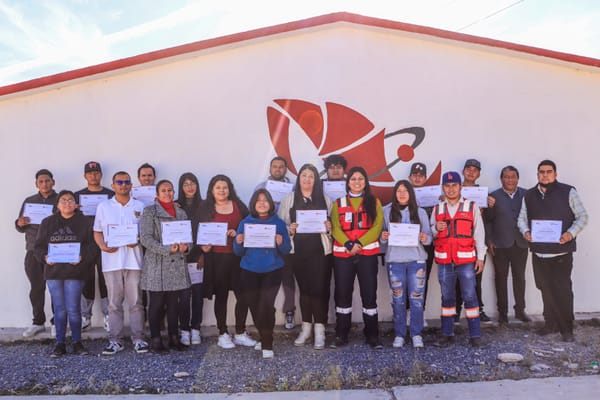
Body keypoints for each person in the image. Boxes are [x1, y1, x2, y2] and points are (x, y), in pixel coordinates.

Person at [517, 160, 588, 342]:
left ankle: (567, 329)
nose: (545, 175)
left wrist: (569, 234)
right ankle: (550, 325)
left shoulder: (568, 191)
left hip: (561, 253)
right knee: (545, 289)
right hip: (539, 252)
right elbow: (521, 218)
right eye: (541, 172)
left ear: (555, 174)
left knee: (562, 291)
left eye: (549, 172)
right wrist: (525, 232)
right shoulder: (530, 195)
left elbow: (582, 217)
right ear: (537, 174)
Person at [93, 171, 149, 355]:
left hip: (134, 262)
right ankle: (115, 340)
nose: (123, 185)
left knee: (136, 302)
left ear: (131, 185)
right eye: (119, 182)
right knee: (114, 304)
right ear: (113, 184)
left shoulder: (140, 206)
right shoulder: (104, 206)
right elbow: (97, 231)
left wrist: (138, 239)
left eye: (126, 182)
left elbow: (146, 233)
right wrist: (102, 246)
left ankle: (138, 339)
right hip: (111, 262)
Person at [34, 190, 94, 357]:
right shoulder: (47, 222)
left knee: (74, 309)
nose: (67, 203)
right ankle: (59, 343)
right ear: (58, 204)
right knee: (59, 310)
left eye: (70, 200)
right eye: (63, 200)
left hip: (75, 271)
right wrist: (45, 257)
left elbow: (92, 246)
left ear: (76, 204)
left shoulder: (85, 222)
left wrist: (82, 257)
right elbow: (38, 247)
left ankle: (77, 343)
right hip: (53, 272)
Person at [278, 164, 332, 349]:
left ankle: (320, 330)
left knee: (319, 291)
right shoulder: (289, 199)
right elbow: (281, 225)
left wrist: (329, 227)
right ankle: (306, 328)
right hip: (298, 253)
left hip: (320, 253)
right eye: (304, 175)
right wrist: (289, 229)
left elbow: (333, 226)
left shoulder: (325, 199)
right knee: (305, 292)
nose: (307, 179)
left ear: (316, 179)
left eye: (311, 176)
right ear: (299, 178)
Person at [199, 175, 256, 349]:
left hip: (238, 257)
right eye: (218, 188)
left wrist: (238, 233)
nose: (222, 190)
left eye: (225, 187)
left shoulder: (239, 206)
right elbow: (199, 233)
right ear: (212, 190)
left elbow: (250, 226)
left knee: (244, 295)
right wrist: (204, 247)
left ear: (230, 189)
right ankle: (222, 333)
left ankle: (240, 332)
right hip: (217, 258)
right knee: (221, 296)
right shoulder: (205, 207)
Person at [234, 189, 292, 358]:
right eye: (258, 200)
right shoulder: (245, 223)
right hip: (249, 271)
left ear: (271, 203)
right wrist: (238, 242)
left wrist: (280, 242)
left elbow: (286, 249)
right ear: (253, 203)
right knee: (255, 307)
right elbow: (238, 252)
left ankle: (267, 343)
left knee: (265, 306)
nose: (262, 203)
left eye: (265, 200)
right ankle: (266, 336)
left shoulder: (279, 223)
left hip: (272, 271)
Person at [330, 166, 384, 349]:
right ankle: (341, 334)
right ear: (348, 182)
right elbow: (335, 227)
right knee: (342, 295)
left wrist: (359, 242)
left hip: (367, 254)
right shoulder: (338, 203)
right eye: (353, 179)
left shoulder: (373, 201)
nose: (357, 182)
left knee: (369, 295)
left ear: (366, 182)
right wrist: (348, 244)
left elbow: (377, 226)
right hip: (343, 255)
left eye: (360, 179)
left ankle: (372, 335)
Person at [432, 171, 486, 347]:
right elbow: (430, 233)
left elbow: (479, 234)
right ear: (443, 188)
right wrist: (436, 229)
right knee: (447, 298)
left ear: (460, 187)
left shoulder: (471, 207)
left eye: (454, 185)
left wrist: (481, 257)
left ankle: (475, 335)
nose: (451, 189)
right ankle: (447, 334)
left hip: (466, 262)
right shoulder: (437, 208)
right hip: (445, 261)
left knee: (470, 296)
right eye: (447, 186)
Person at [140, 180, 191, 352]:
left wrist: (186, 247)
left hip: (176, 264)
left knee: (173, 305)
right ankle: (155, 339)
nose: (167, 193)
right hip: (157, 265)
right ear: (157, 193)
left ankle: (173, 337)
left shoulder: (181, 212)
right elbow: (145, 238)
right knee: (156, 304)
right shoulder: (149, 212)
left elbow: (188, 238)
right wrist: (166, 249)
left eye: (170, 190)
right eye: (163, 190)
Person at [380, 180, 432, 348]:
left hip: (416, 261)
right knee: (398, 299)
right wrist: (384, 236)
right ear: (394, 193)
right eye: (399, 191)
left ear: (411, 193)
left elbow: (429, 238)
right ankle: (400, 334)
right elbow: (380, 239)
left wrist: (425, 238)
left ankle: (416, 333)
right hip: (395, 261)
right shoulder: (386, 211)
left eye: (405, 191)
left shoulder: (421, 212)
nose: (402, 194)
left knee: (416, 299)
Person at [485, 166, 530, 324]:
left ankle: (520, 311)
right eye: (506, 177)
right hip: (500, 244)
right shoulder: (493, 196)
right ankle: (502, 313)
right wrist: (489, 240)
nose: (510, 179)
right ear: (501, 179)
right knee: (500, 279)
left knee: (520, 278)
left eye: (513, 176)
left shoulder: (527, 194)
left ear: (518, 178)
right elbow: (488, 221)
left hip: (521, 243)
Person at [15, 169, 58, 337]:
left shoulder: (60, 199)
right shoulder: (30, 201)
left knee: (55, 288)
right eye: (41, 181)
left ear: (53, 182)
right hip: (33, 250)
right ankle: (38, 322)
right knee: (36, 288)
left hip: (53, 250)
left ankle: (57, 322)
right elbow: (20, 225)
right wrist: (20, 223)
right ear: (36, 184)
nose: (45, 184)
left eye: (47, 181)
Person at [255, 156, 296, 329]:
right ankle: (263, 315)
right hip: (265, 239)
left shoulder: (294, 188)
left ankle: (289, 312)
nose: (278, 169)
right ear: (270, 169)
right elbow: (254, 209)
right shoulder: (261, 187)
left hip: (286, 236)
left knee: (288, 278)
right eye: (274, 167)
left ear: (286, 169)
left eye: (281, 167)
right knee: (266, 279)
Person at [74, 161, 114, 332]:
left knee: (106, 279)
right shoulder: (77, 196)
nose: (93, 175)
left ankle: (107, 314)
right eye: (90, 173)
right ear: (85, 176)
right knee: (86, 279)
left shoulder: (110, 194)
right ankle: (86, 316)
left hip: (106, 241)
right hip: (84, 243)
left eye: (96, 172)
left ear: (101, 175)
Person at [456, 159, 491, 323]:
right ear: (463, 171)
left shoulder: (484, 194)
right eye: (468, 169)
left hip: (476, 240)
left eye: (475, 170)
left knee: (477, 277)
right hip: (457, 241)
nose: (471, 172)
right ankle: (455, 310)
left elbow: (488, 221)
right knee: (456, 277)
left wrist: (491, 205)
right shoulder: (454, 189)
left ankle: (478, 310)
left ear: (479, 174)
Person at [175, 172, 204, 346]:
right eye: (185, 184)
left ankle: (196, 329)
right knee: (183, 296)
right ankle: (184, 329)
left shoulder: (205, 205)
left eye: (192, 183)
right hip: (180, 258)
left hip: (199, 256)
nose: (190, 187)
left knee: (198, 296)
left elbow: (207, 232)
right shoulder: (176, 206)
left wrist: (203, 255)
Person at [407, 162, 435, 328]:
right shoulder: (402, 194)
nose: (417, 178)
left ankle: (420, 313)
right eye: (415, 175)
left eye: (421, 175)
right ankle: (408, 313)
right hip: (406, 245)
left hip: (425, 245)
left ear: (425, 178)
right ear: (410, 177)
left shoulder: (432, 196)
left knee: (421, 280)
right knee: (405, 281)